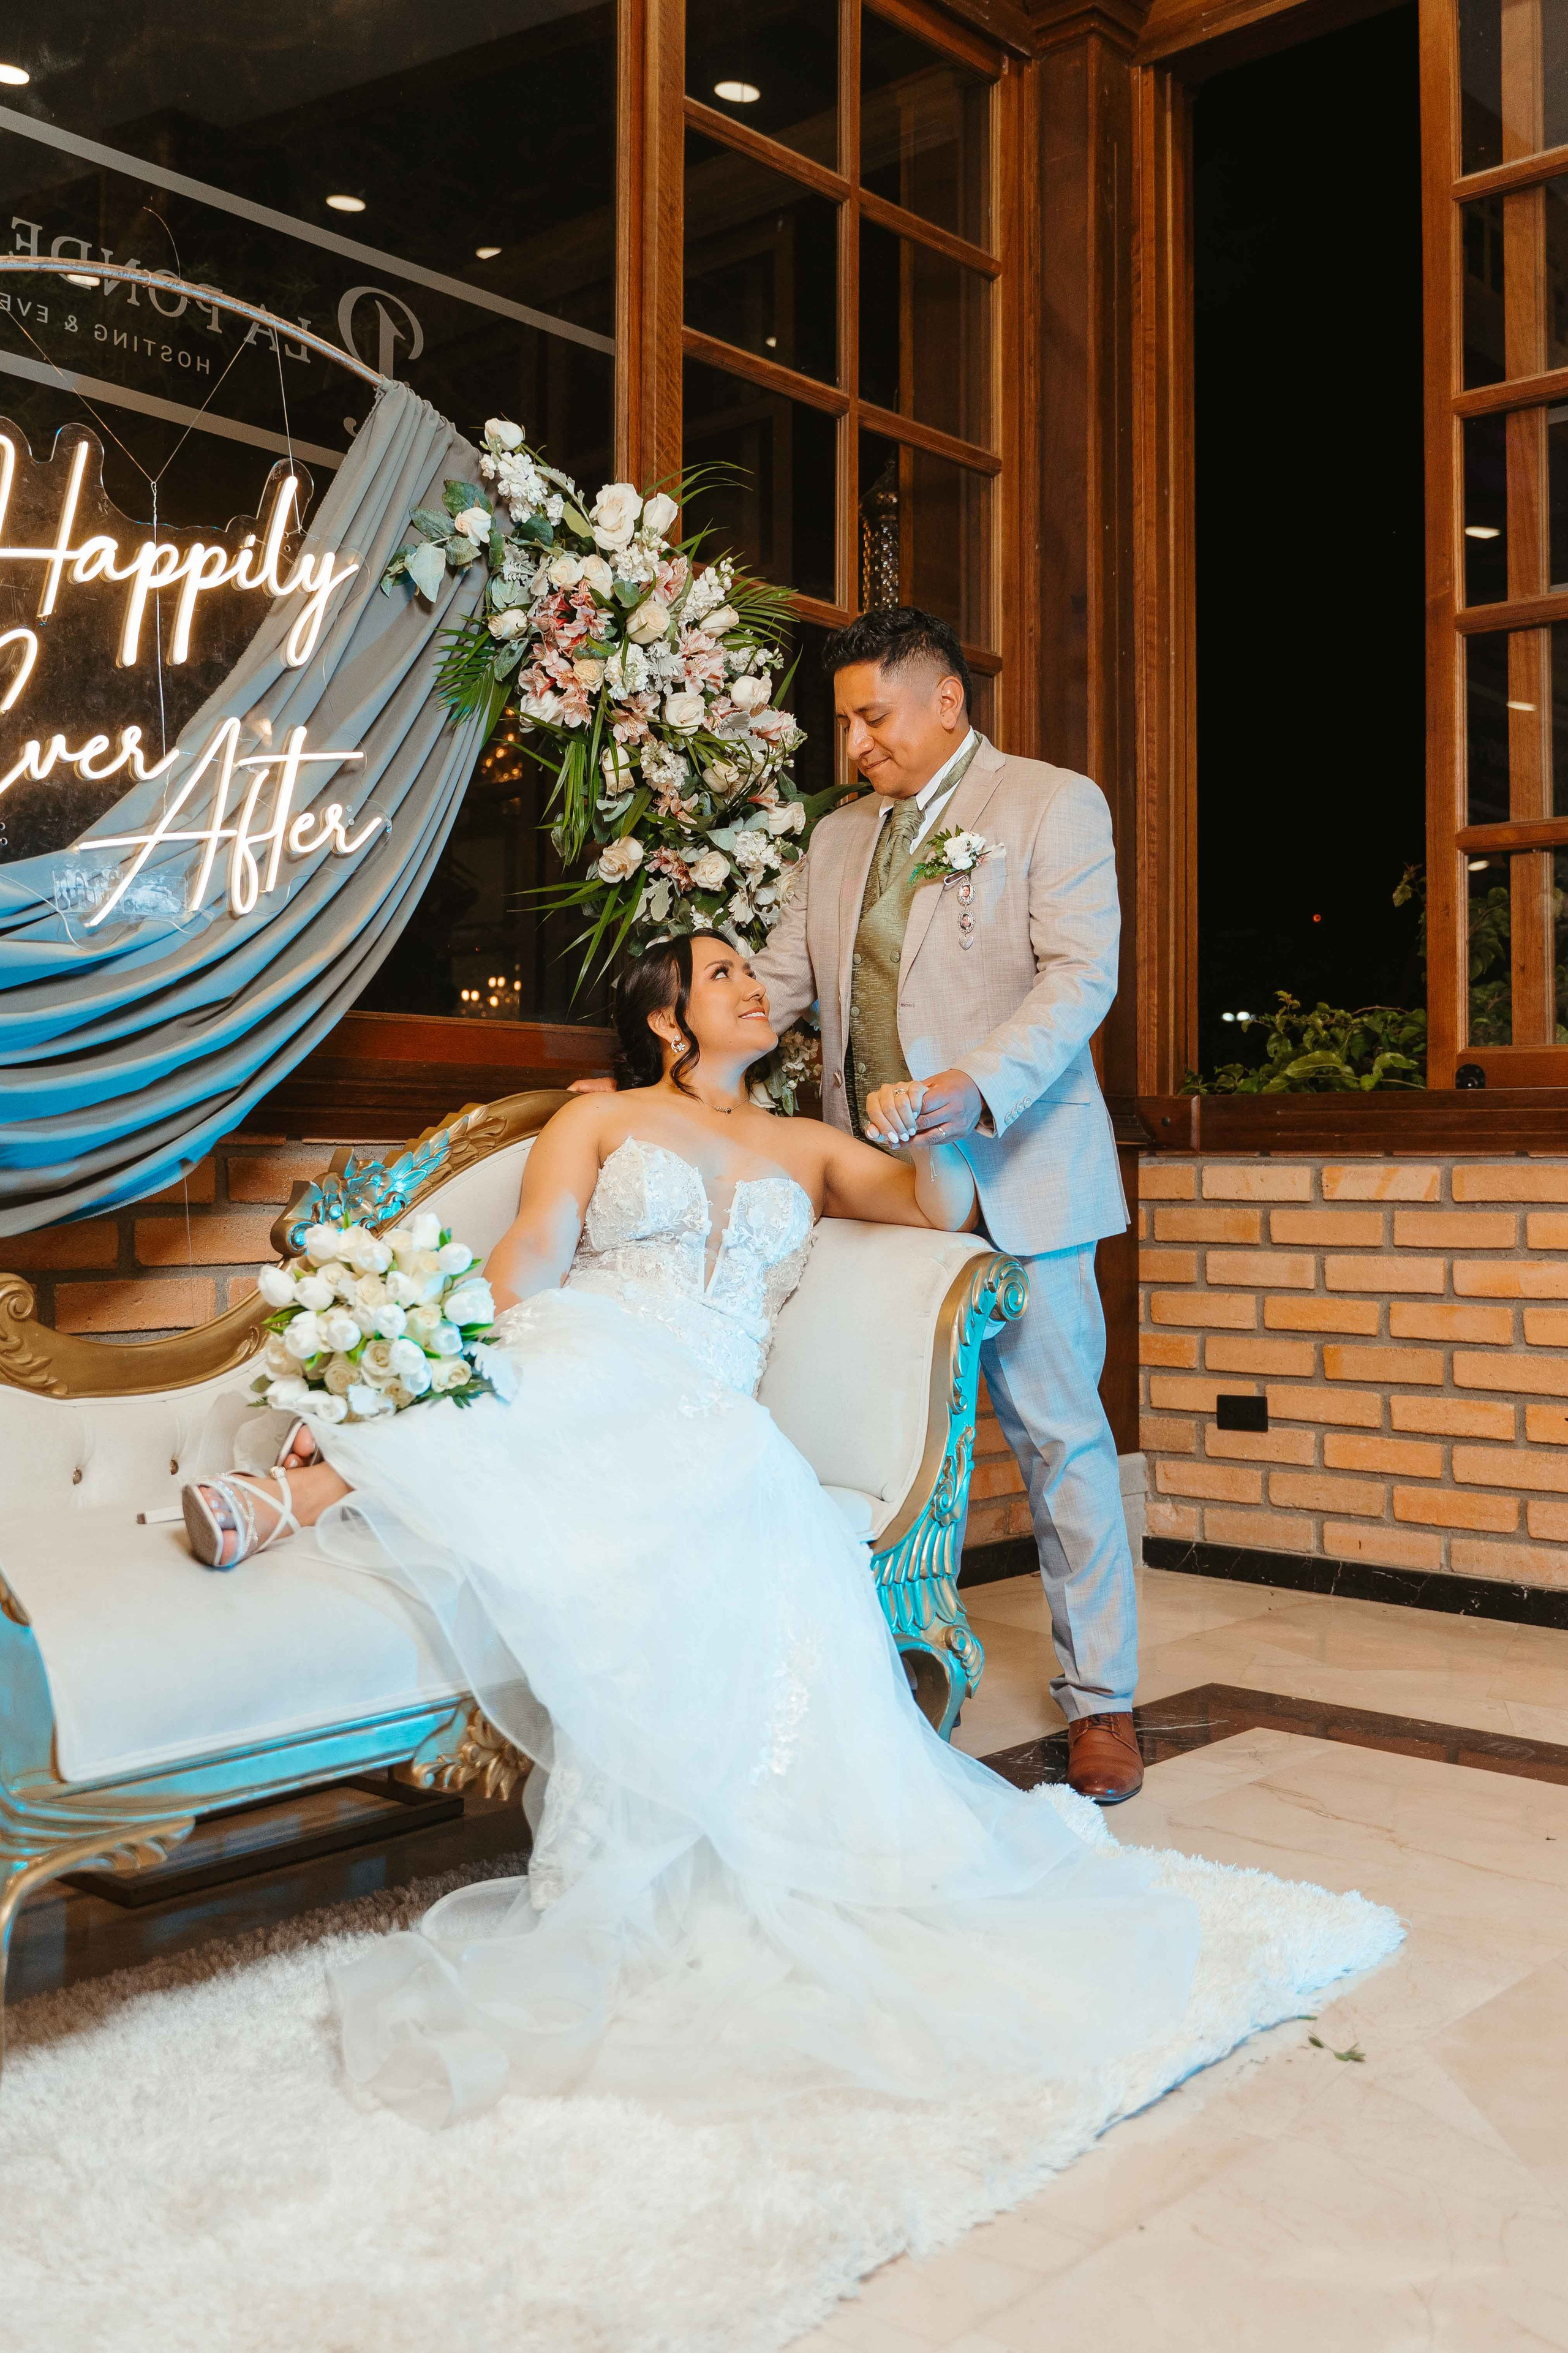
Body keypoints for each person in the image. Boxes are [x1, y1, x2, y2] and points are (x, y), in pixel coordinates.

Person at [173, 931, 1389, 2137]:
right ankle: (290, 1492)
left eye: (751, 973)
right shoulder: (595, 1123)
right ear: (666, 1020)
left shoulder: (804, 1147)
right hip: (588, 1343)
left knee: (704, 1466)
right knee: (539, 1387)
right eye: (723, 977)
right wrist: (428, 1355)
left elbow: (926, 1207)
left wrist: (943, 1118)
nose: (755, 987)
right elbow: (534, 1251)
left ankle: (293, 1497)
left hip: (703, 1404)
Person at [750, 608, 1144, 1804]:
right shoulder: (833, 841)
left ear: (945, 702)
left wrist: (971, 1087)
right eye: (844, 724)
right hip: (871, 1193)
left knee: (1056, 1434)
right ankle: (860, 1678)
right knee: (855, 1432)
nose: (856, 745)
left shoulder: (1047, 802)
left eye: (872, 718)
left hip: (1013, 1169)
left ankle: (1102, 1703)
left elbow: (1082, 974)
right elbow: (776, 983)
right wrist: (664, 1067)